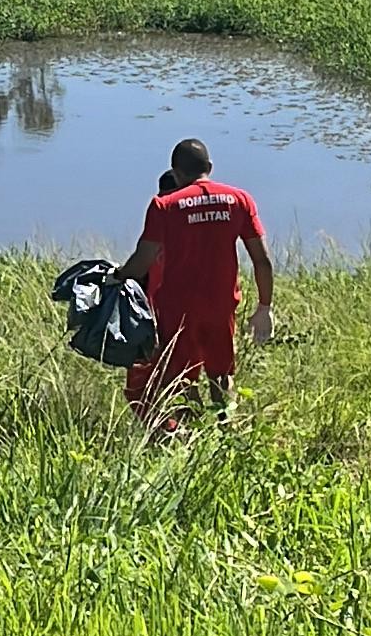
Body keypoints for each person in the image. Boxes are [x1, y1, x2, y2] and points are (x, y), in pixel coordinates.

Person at [116, 136, 275, 429]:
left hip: (178, 309)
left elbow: (143, 259)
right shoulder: (239, 200)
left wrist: (117, 277)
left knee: (181, 379)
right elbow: (262, 260)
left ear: (175, 173)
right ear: (210, 167)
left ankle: (192, 438)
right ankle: (228, 435)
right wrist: (265, 306)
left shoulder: (164, 205)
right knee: (222, 375)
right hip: (221, 305)